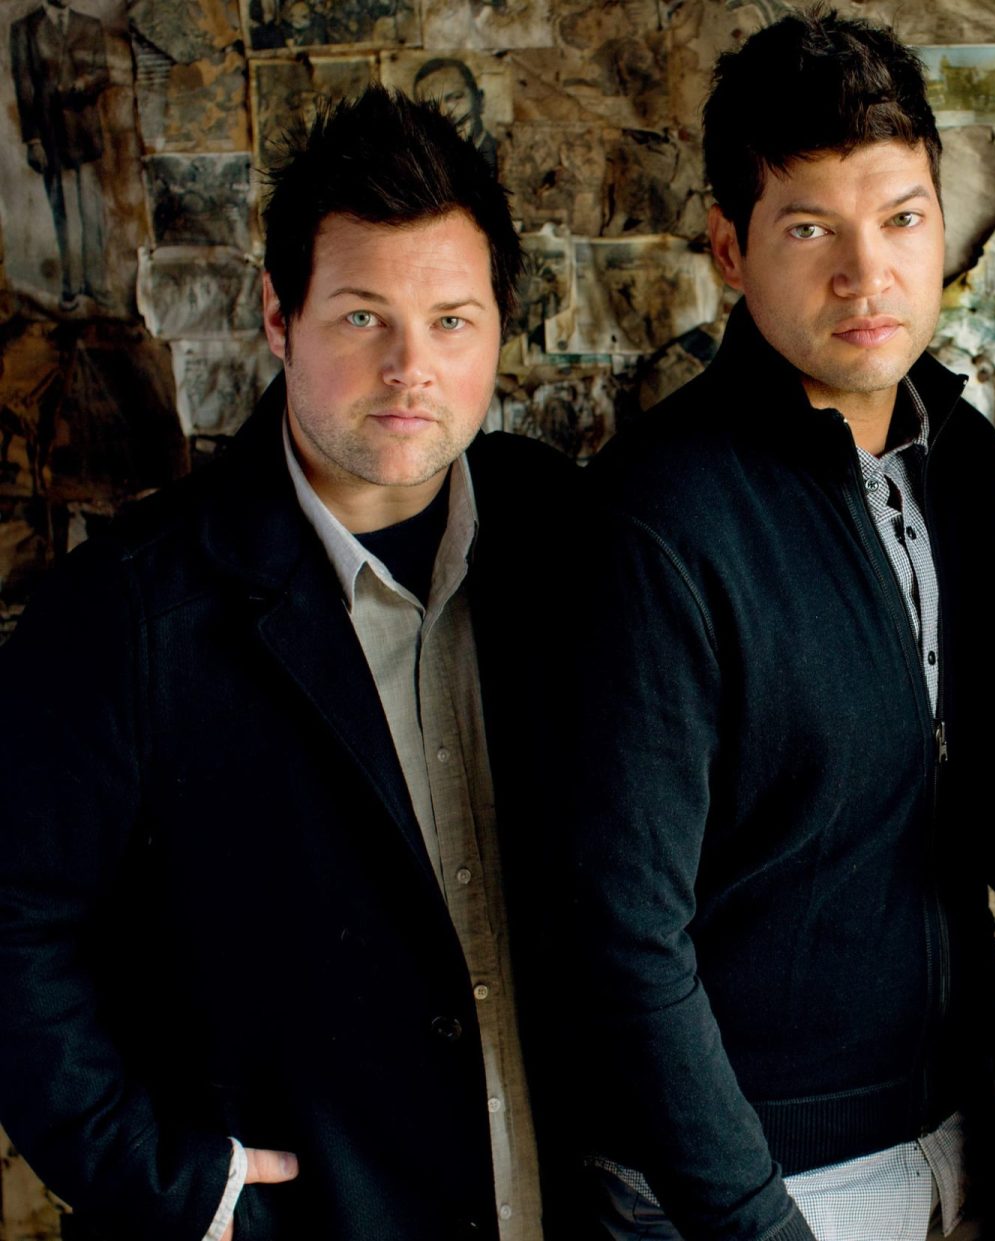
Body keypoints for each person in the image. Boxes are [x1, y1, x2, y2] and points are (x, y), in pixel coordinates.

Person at [0, 87, 570, 1240]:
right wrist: (165, 1180)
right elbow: (10, 923)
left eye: (452, 321)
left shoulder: (569, 539)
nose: (412, 365)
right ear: (278, 314)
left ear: (500, 325)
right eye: (363, 317)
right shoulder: (129, 609)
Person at [530, 11, 995, 1240]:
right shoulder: (655, 519)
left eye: (901, 217)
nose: (867, 274)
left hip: (955, 1128)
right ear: (728, 250)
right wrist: (751, 1218)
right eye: (810, 229)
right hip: (750, 1180)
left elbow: (926, 798)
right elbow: (623, 935)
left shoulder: (959, 457)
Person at [10, 0, 111, 310]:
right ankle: (70, 286)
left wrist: (84, 83)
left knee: (93, 213)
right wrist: (33, 140)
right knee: (64, 215)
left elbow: (103, 72)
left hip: (86, 134)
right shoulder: (25, 30)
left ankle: (96, 284)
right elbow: (24, 85)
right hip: (52, 137)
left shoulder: (89, 25)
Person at [413, 57, 499, 174]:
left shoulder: (507, 157)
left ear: (480, 100)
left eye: (456, 97)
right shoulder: (425, 171)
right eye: (431, 106)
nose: (444, 113)